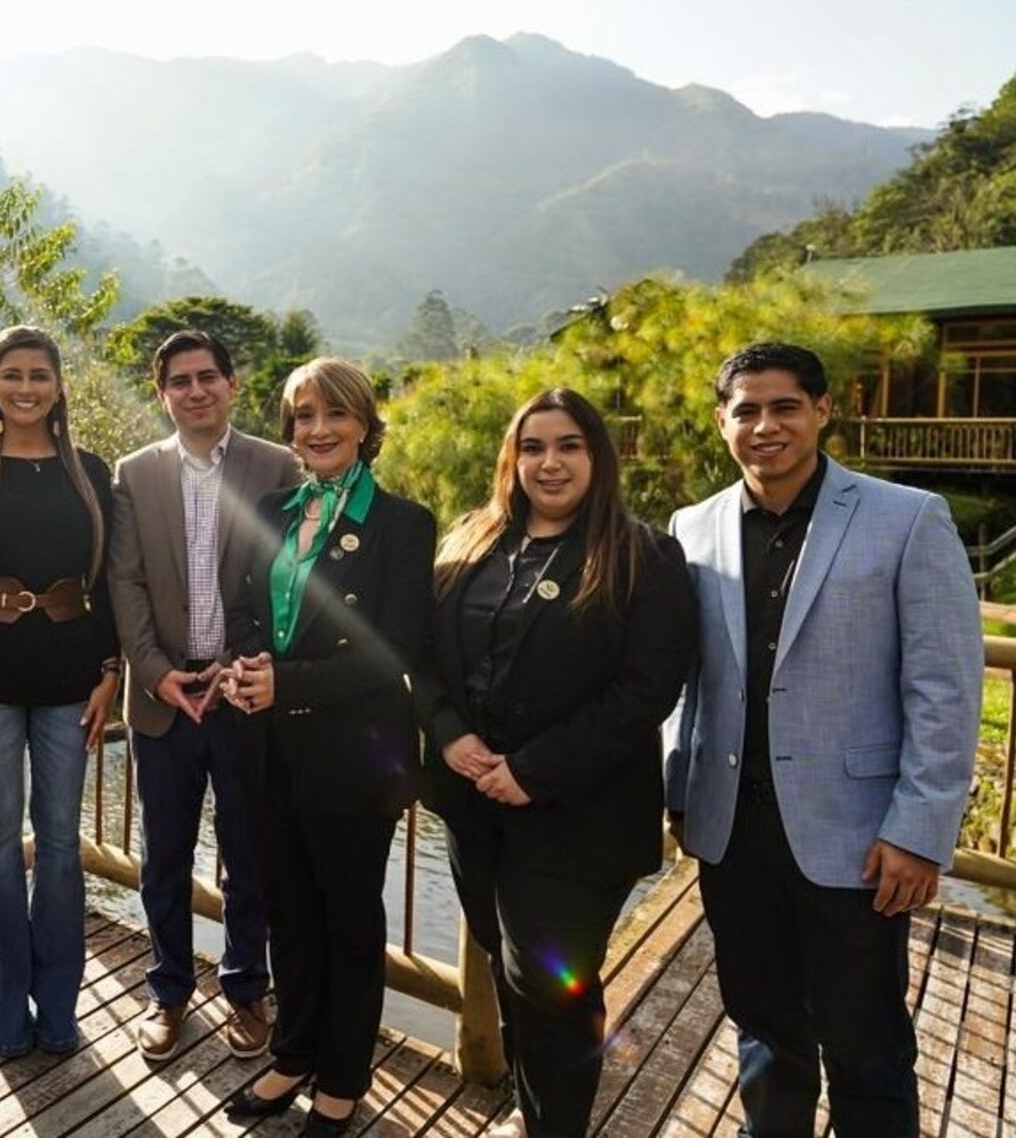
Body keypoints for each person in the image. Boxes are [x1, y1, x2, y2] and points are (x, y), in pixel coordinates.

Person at [665, 342, 982, 1137]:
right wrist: (679, 791)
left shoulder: (906, 518)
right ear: (721, 422)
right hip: (733, 832)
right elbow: (687, 682)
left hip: (858, 836)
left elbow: (944, 689)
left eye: (784, 406)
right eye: (746, 410)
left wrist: (919, 830)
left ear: (822, 411)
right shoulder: (691, 527)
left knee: (866, 1042)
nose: (765, 425)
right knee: (765, 1032)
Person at [417, 389, 697, 1138]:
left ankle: (554, 1126)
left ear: (598, 457)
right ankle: (529, 1108)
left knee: (553, 985)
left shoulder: (640, 553)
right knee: (506, 958)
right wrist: (445, 732)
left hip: (578, 815)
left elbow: (647, 689)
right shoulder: (471, 540)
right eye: (534, 446)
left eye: (569, 445)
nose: (550, 462)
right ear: (513, 458)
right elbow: (423, 656)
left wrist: (534, 769)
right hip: (475, 804)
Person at [217, 356, 436, 1137]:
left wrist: (290, 681)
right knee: (288, 911)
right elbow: (239, 604)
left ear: (365, 425)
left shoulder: (403, 524)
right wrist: (248, 666)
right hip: (267, 750)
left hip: (354, 757)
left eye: (335, 414)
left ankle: (342, 1079)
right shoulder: (272, 507)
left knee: (347, 918)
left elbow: (393, 650)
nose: (317, 430)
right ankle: (293, 1052)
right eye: (304, 416)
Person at [108, 330, 301, 1062]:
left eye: (207, 377)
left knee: (247, 852)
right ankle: (166, 990)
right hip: (163, 697)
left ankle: (246, 986)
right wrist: (154, 670)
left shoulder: (275, 465)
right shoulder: (136, 472)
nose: (195, 391)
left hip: (242, 690)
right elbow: (123, 581)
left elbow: (288, 580)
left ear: (231, 384)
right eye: (179, 381)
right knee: (164, 853)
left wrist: (237, 667)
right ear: (163, 394)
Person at [0, 324, 119, 1057]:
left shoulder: (88, 470)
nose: (26, 387)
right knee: (0, 846)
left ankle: (61, 1006)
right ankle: (6, 1007)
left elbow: (105, 585)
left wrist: (111, 672)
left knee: (64, 844)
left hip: (74, 678)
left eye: (40, 374)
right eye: (12, 374)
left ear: (60, 385)